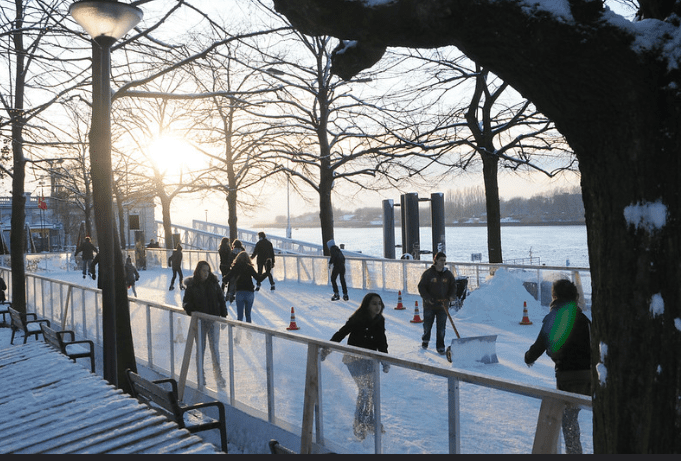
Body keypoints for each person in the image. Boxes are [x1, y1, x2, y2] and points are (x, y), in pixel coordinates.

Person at [524, 279, 591, 454]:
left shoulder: (554, 317)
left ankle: (574, 452)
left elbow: (540, 344)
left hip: (567, 377)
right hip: (588, 375)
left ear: (554, 296)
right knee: (575, 415)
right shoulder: (584, 319)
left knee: (568, 420)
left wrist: (529, 357)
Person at [321, 292, 389, 440]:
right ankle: (358, 424)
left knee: (371, 391)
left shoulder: (380, 320)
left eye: (379, 303)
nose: (378, 306)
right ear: (366, 305)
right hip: (354, 359)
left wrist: (385, 360)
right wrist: (327, 349)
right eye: (374, 303)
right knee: (364, 390)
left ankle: (370, 421)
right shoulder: (358, 318)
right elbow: (341, 333)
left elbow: (381, 341)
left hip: (370, 360)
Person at [182, 261, 228, 388]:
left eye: (208, 271)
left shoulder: (213, 283)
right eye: (203, 270)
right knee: (201, 349)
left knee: (215, 349)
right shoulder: (192, 285)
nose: (206, 273)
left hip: (213, 321)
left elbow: (221, 299)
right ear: (198, 271)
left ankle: (218, 376)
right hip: (200, 322)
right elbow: (186, 302)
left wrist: (223, 315)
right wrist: (192, 311)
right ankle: (200, 376)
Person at [417, 251, 456, 354]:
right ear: (436, 261)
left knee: (441, 327)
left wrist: (451, 296)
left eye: (444, 260)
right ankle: (425, 340)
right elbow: (421, 287)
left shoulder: (448, 274)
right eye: (441, 260)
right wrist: (427, 298)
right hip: (430, 305)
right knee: (427, 325)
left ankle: (440, 346)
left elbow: (453, 286)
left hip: (443, 305)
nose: (443, 262)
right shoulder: (428, 274)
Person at [228, 250, 271, 323]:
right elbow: (259, 278)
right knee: (248, 315)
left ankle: (239, 333)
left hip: (240, 292)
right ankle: (249, 334)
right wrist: (267, 272)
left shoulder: (235, 267)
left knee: (240, 317)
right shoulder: (249, 267)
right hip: (249, 293)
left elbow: (226, 278)